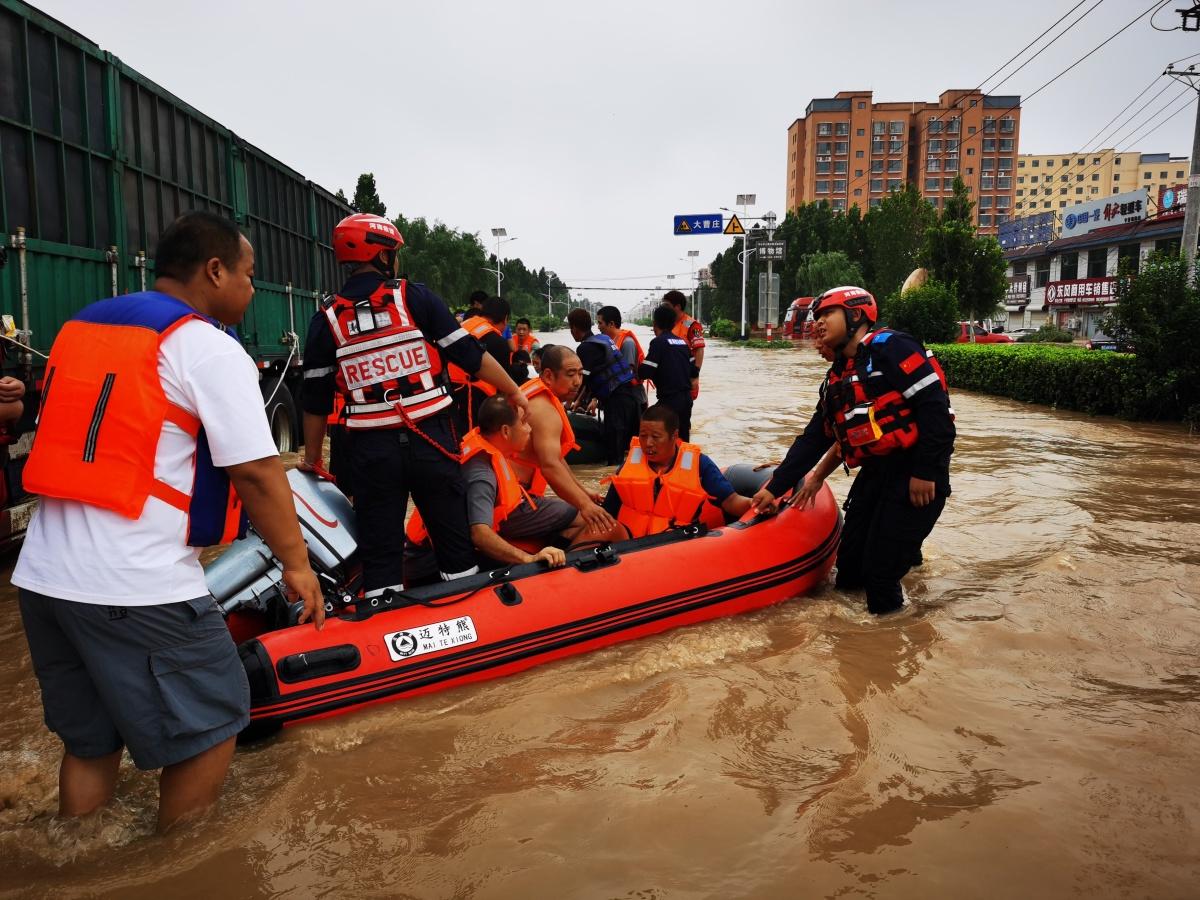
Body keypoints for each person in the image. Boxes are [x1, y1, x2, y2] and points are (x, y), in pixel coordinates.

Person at [13, 211, 325, 832]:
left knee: (91, 742)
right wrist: (297, 563)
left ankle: (78, 859)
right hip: (137, 587)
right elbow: (259, 472)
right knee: (211, 724)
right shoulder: (207, 347)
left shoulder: (79, 327)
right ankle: (174, 869)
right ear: (215, 271)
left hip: (43, 580)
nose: (252, 289)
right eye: (249, 275)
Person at [300, 213, 526, 601]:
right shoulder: (414, 298)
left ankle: (385, 619)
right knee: (453, 542)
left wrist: (313, 459)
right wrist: (515, 392)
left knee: (382, 550)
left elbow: (316, 401)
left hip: (371, 453)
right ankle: (464, 607)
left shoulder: (326, 320)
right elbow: (470, 356)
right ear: (385, 256)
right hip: (432, 441)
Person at [750, 286, 955, 615]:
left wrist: (926, 471)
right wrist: (775, 488)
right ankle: (905, 568)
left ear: (856, 315)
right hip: (876, 474)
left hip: (915, 474)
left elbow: (937, 412)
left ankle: (891, 637)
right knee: (849, 573)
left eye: (826, 315)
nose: (818, 324)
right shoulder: (837, 377)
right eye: (815, 317)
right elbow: (814, 439)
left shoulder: (893, 348)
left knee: (879, 576)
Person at [408, 395, 596, 571]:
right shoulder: (482, 474)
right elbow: (480, 534)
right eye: (524, 423)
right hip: (427, 560)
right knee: (574, 517)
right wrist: (529, 559)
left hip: (441, 546)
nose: (530, 430)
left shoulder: (488, 446)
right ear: (505, 431)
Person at [513, 345, 623, 540]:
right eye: (571, 374)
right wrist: (585, 505)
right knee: (606, 525)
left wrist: (584, 491)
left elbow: (557, 459)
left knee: (580, 516)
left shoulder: (537, 395)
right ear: (548, 376)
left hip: (513, 494)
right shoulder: (544, 410)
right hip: (514, 502)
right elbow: (550, 466)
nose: (577, 382)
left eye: (580, 374)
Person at [602, 403, 750, 537]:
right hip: (630, 545)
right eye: (643, 436)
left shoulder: (699, 464)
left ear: (674, 436)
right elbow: (608, 511)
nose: (648, 443)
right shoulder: (630, 464)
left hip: (677, 544)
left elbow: (731, 501)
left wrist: (754, 505)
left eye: (655, 437)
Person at [567, 308, 640, 466]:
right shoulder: (602, 339)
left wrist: (570, 402)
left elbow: (582, 380)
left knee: (615, 455)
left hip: (618, 401)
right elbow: (592, 377)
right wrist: (580, 401)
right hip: (629, 398)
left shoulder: (585, 348)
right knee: (622, 448)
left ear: (574, 328)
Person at [450, 295, 517, 430]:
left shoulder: (459, 328)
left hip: (448, 399)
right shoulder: (499, 343)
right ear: (505, 319)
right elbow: (504, 390)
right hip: (476, 406)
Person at [640, 304, 697, 440]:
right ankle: (686, 460)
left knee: (660, 434)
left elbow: (645, 371)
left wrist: (636, 369)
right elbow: (694, 371)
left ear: (655, 323)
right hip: (686, 400)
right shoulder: (682, 343)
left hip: (670, 400)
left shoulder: (658, 342)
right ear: (674, 324)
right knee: (683, 436)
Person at [597, 305, 647, 411]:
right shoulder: (610, 342)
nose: (598, 327)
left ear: (611, 324)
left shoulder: (627, 343)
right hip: (618, 400)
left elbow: (627, 375)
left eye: (600, 323)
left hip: (632, 400)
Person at [663, 290, 705, 400]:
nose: (664, 308)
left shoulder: (691, 324)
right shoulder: (667, 324)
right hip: (669, 376)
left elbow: (699, 349)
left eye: (667, 305)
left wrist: (695, 376)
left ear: (677, 306)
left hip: (685, 376)